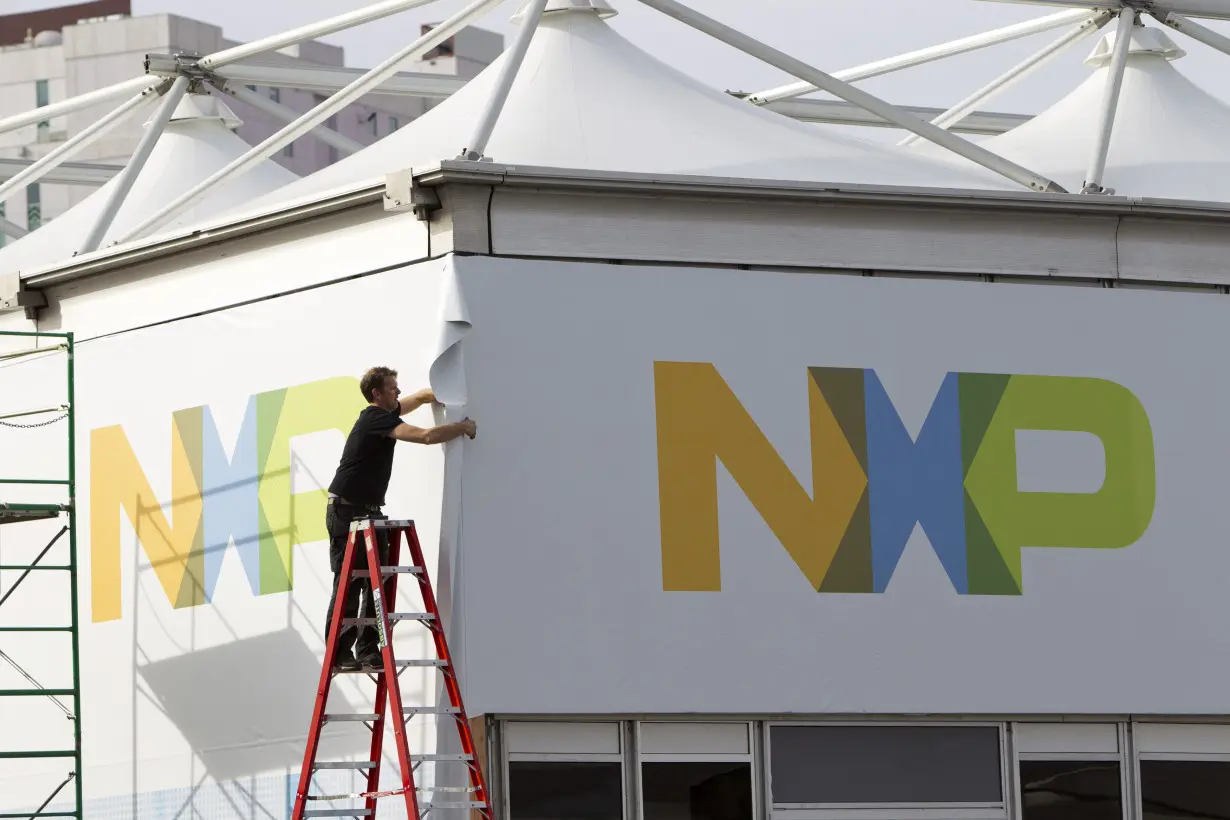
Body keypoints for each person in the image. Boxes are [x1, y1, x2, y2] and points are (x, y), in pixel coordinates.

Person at [324, 366, 477, 671]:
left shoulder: (385, 411)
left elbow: (419, 397)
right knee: (350, 581)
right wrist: (462, 427)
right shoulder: (374, 418)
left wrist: (445, 397)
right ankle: (338, 653)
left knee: (375, 582)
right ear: (376, 394)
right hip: (347, 511)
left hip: (368, 511)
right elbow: (426, 436)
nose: (398, 392)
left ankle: (368, 649)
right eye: (392, 388)